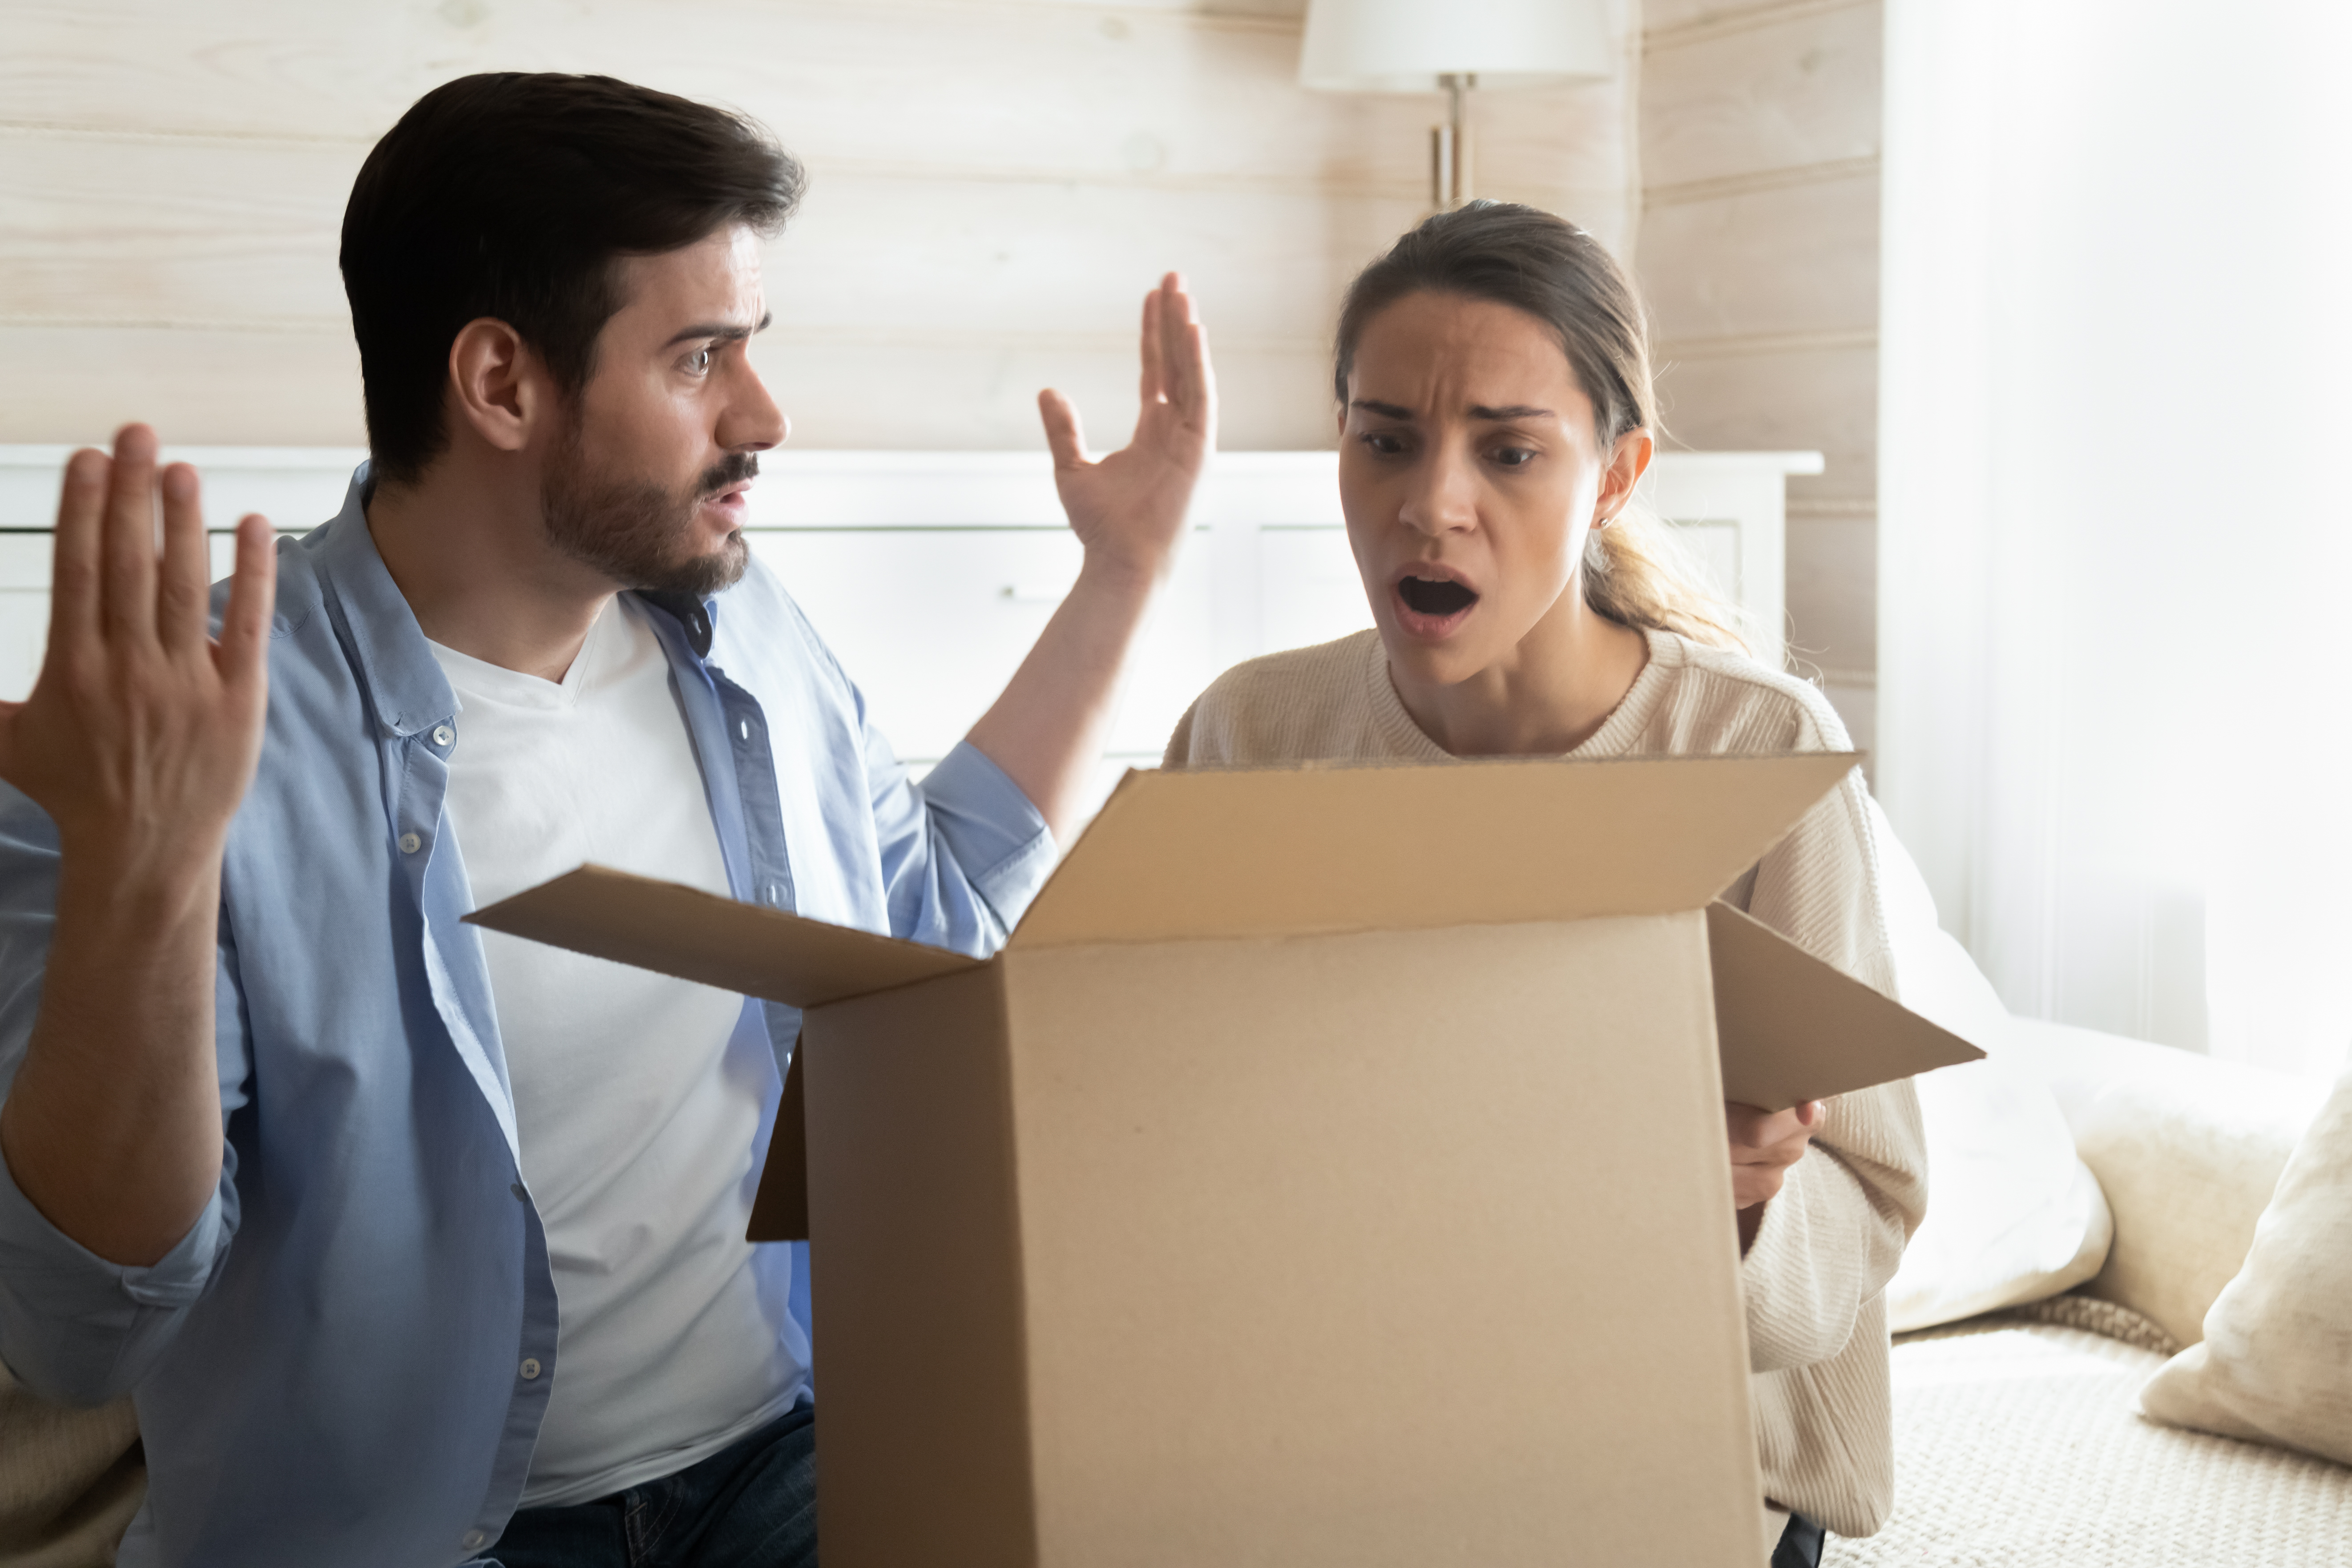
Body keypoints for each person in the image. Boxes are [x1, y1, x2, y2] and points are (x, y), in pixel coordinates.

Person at [0, 73, 1212, 1568]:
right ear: (502, 384)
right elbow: (80, 1320)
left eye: (752, 348)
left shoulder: (742, 626)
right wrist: (151, 880)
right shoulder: (164, 744)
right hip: (413, 1538)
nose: (764, 416)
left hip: (791, 1462)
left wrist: (1123, 577)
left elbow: (928, 937)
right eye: (701, 357)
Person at [1162, 201, 1925, 1568]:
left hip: (1693, 1471)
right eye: (1383, 438)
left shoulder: (1759, 748)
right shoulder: (1249, 737)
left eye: (1509, 453)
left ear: (1618, 474)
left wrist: (1735, 1203)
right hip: (1344, 1438)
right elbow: (1170, 1145)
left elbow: (1868, 1204)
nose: (1428, 504)